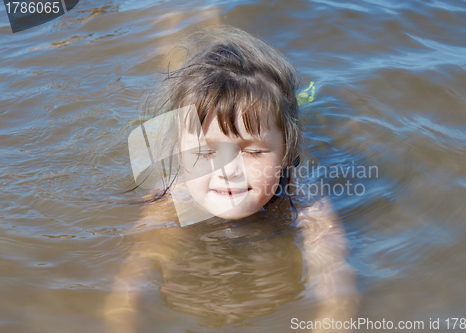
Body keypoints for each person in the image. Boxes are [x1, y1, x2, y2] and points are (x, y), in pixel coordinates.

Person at [105, 26, 358, 332]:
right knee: (172, 58)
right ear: (179, 156)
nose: (229, 170)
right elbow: (132, 279)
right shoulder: (172, 198)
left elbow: (335, 280)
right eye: (207, 152)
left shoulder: (303, 197)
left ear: (286, 154)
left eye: (252, 152)